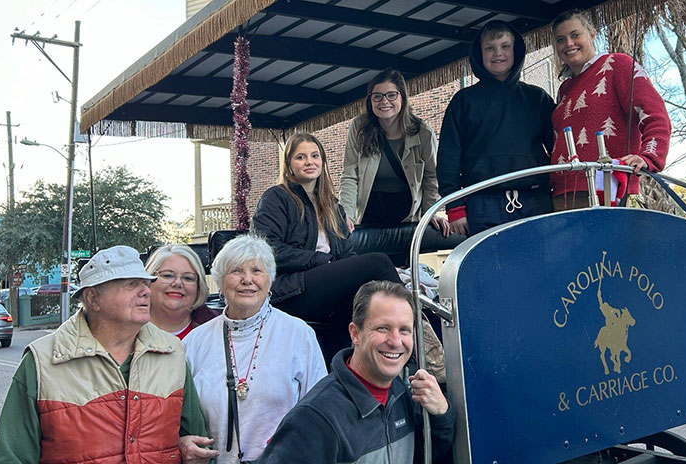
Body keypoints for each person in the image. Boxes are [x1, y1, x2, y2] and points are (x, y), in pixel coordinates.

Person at [0, 245, 216, 464]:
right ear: (93, 298)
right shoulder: (43, 360)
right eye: (131, 285)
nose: (145, 291)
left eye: (145, 283)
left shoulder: (172, 353)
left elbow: (196, 441)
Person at [247, 280, 455, 464]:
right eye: (383, 328)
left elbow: (417, 462)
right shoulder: (316, 419)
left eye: (404, 330)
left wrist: (440, 413)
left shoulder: (400, 395)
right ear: (355, 334)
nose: (396, 341)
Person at [178, 234, 327, 464]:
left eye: (257, 270)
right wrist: (181, 443)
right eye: (236, 271)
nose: (247, 279)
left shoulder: (298, 335)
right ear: (221, 281)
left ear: (269, 280)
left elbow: (319, 415)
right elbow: (177, 418)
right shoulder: (194, 343)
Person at [252, 133, 402, 329]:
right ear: (289, 165)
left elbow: (347, 253)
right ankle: (421, 339)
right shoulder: (276, 198)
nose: (309, 162)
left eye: (315, 156)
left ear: (322, 161)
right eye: (300, 157)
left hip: (327, 287)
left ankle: (379, 352)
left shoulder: (332, 206)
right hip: (291, 290)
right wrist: (319, 259)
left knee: (371, 295)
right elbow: (267, 250)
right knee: (379, 262)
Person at [437, 20, 556, 236]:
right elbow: (448, 159)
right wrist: (454, 209)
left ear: (515, 50)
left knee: (541, 267)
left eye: (505, 46)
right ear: (479, 54)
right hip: (482, 204)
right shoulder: (463, 101)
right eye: (489, 48)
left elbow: (559, 149)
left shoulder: (537, 98)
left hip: (535, 200)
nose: (497, 54)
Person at [549, 9, 670, 210]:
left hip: (608, 185)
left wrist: (649, 157)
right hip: (562, 191)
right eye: (561, 39)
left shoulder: (618, 65)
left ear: (592, 34)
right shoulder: (564, 89)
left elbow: (655, 115)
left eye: (575, 35)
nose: (569, 44)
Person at [340, 68, 463, 266]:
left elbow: (431, 177)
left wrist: (429, 214)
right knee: (372, 266)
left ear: (402, 98)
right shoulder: (359, 128)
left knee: (401, 268)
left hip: (405, 211)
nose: (384, 102)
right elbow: (350, 175)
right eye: (377, 96)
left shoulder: (422, 132)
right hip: (370, 210)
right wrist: (345, 214)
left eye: (391, 95)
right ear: (370, 100)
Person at [145, 244, 218, 339]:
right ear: (148, 280)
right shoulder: (125, 325)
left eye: (188, 278)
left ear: (199, 286)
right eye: (167, 275)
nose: (178, 283)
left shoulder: (218, 330)